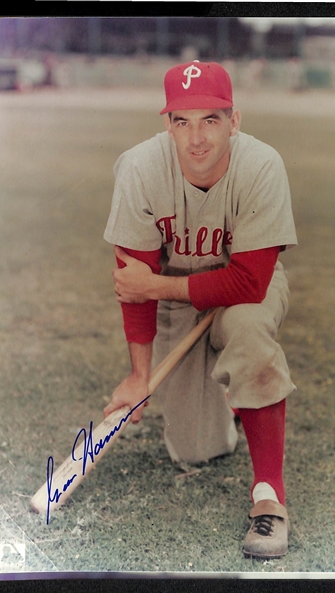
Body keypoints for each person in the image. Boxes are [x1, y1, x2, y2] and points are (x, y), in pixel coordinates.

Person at [102, 61, 297, 559]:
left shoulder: (262, 164)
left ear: (235, 120)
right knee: (195, 449)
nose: (196, 138)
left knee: (249, 332)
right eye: (182, 121)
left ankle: (268, 496)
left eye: (210, 119)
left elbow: (251, 281)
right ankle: (232, 410)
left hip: (243, 292)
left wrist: (158, 286)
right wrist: (139, 376)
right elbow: (133, 284)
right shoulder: (140, 168)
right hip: (174, 296)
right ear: (166, 125)